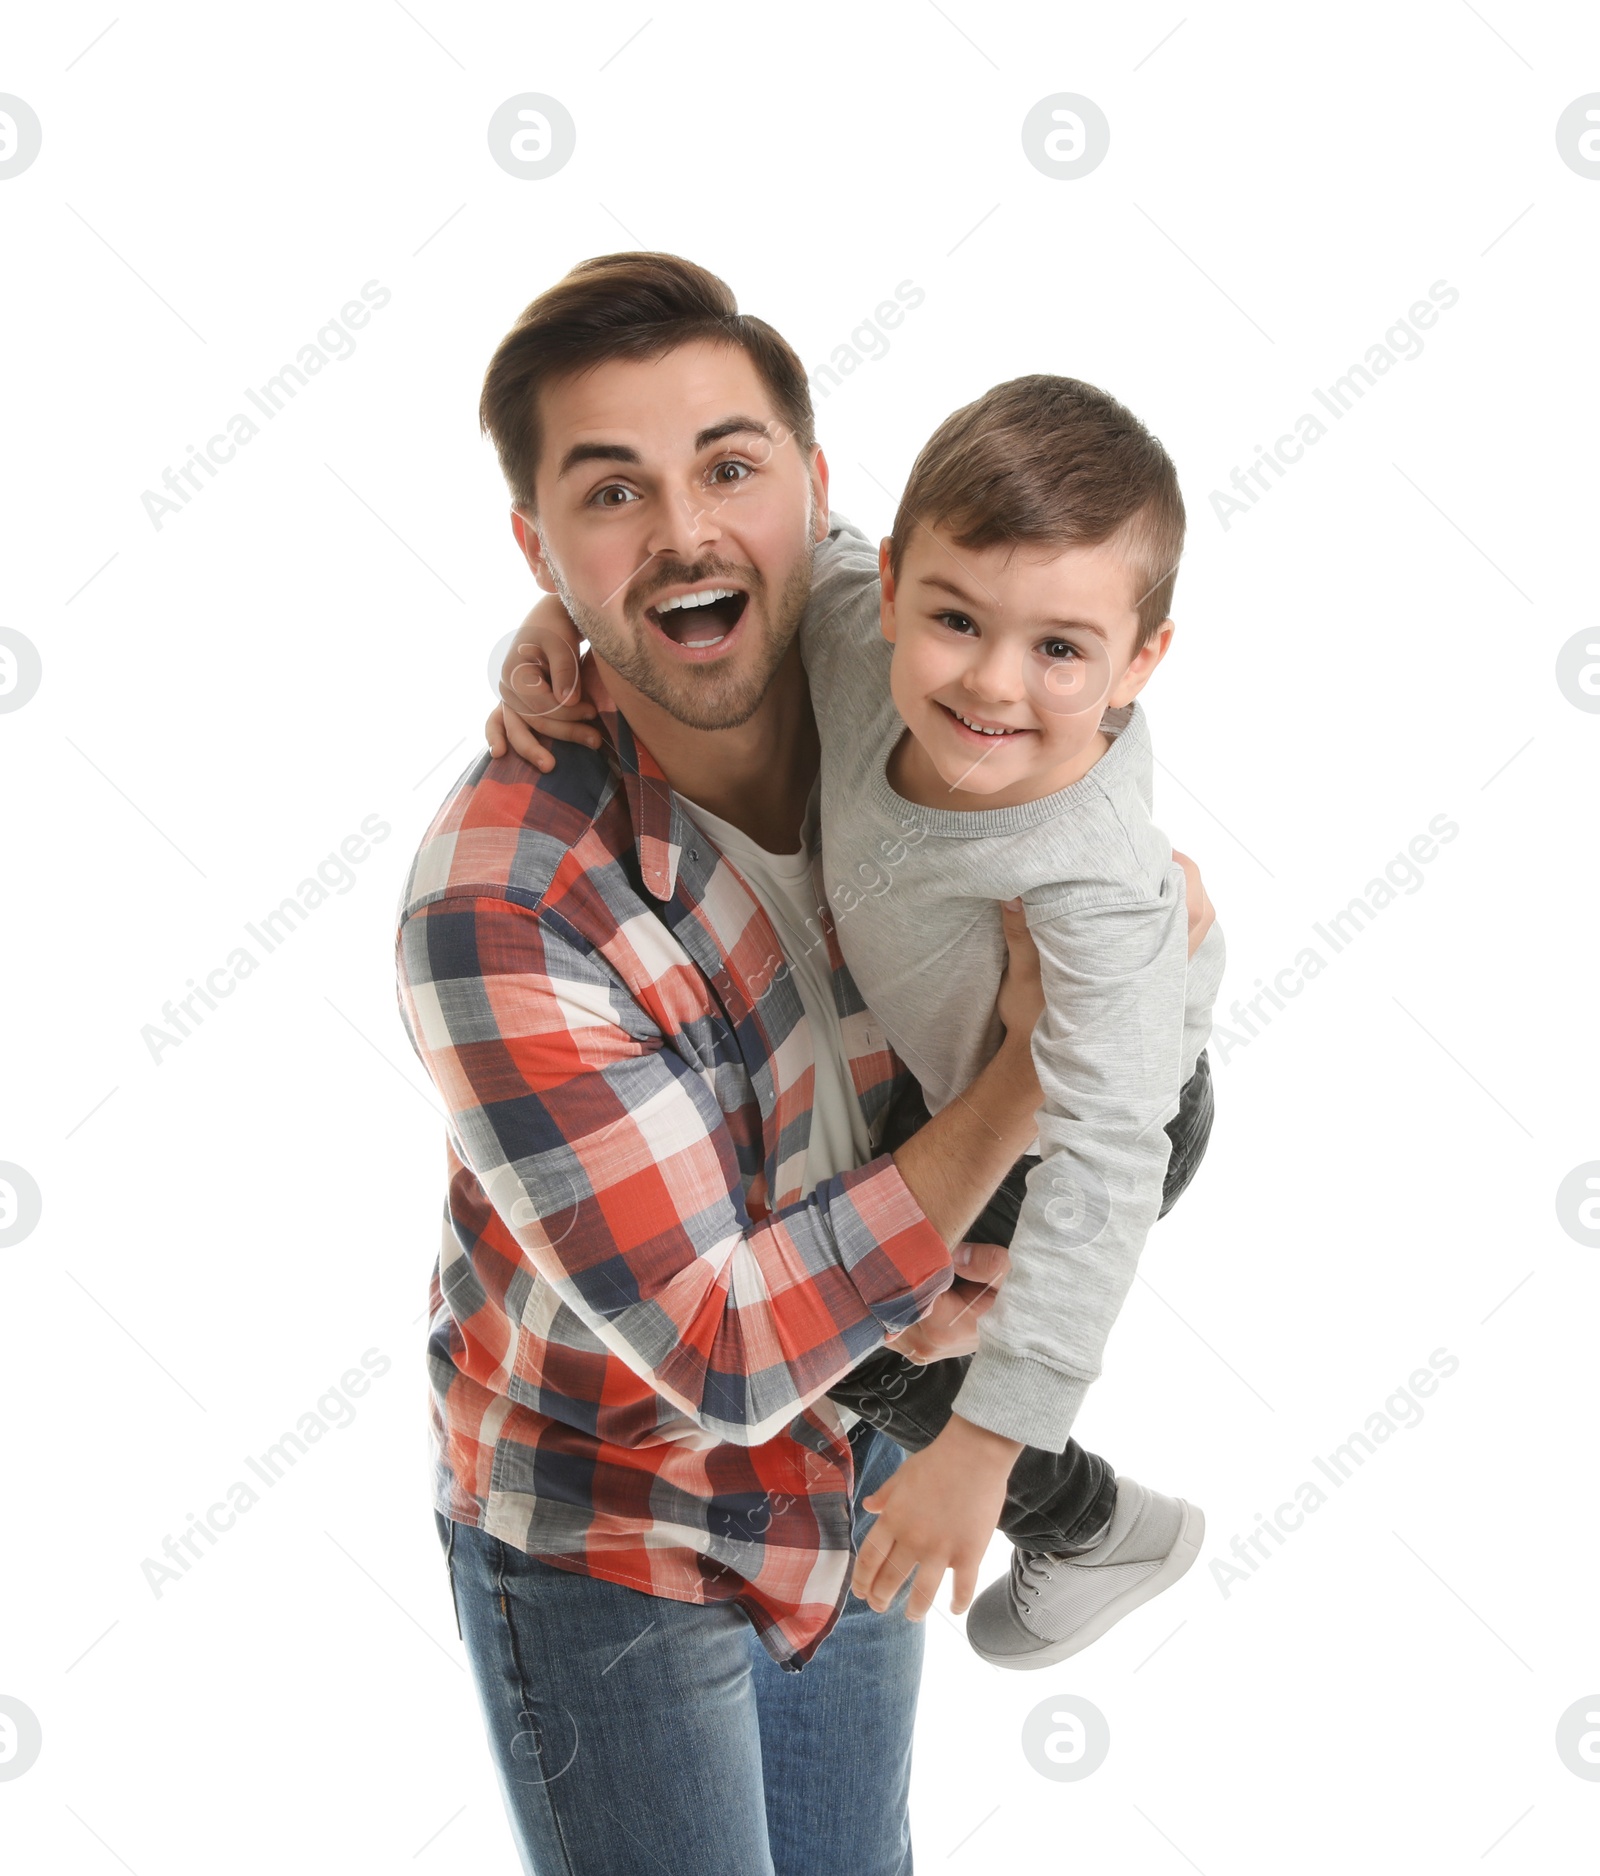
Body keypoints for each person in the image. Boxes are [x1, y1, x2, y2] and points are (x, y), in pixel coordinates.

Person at [397, 251, 1217, 1876]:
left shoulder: (903, 660)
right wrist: (1018, 1090)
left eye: (728, 467)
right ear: (537, 546)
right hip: (614, 1520)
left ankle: (1076, 1499)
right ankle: (1075, 1497)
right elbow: (715, 1352)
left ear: (823, 502)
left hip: (853, 1468)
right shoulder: (500, 902)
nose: (689, 529)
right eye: (610, 492)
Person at [492, 373, 1226, 1671]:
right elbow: (755, 558)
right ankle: (1087, 1512)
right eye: (954, 619)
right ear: (889, 586)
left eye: (1061, 648)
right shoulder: (849, 632)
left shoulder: (1095, 890)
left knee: (820, 1338)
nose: (993, 684)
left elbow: (1106, 1166)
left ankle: (1084, 1521)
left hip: (1094, 1119)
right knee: (797, 1275)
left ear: (1141, 661)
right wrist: (559, 615)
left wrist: (985, 1447)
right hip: (948, 1077)